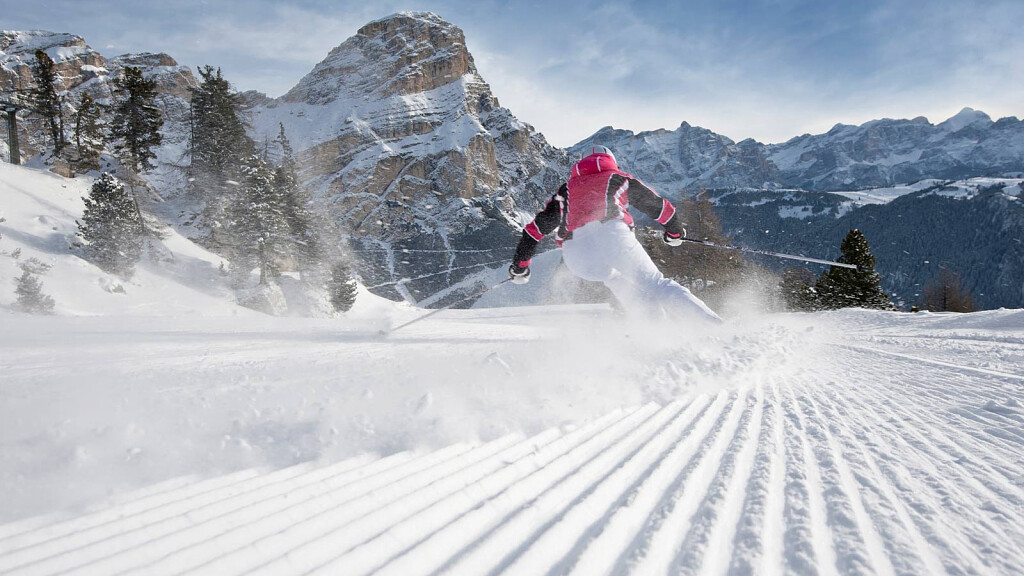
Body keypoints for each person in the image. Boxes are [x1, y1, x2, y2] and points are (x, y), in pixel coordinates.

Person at [508, 145, 722, 323]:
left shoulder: (566, 189)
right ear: (610, 160)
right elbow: (659, 207)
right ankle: (714, 328)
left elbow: (533, 231)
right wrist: (675, 232)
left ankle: (658, 335)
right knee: (656, 284)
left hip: (576, 254)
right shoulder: (617, 178)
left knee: (617, 280)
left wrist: (520, 267)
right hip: (610, 233)